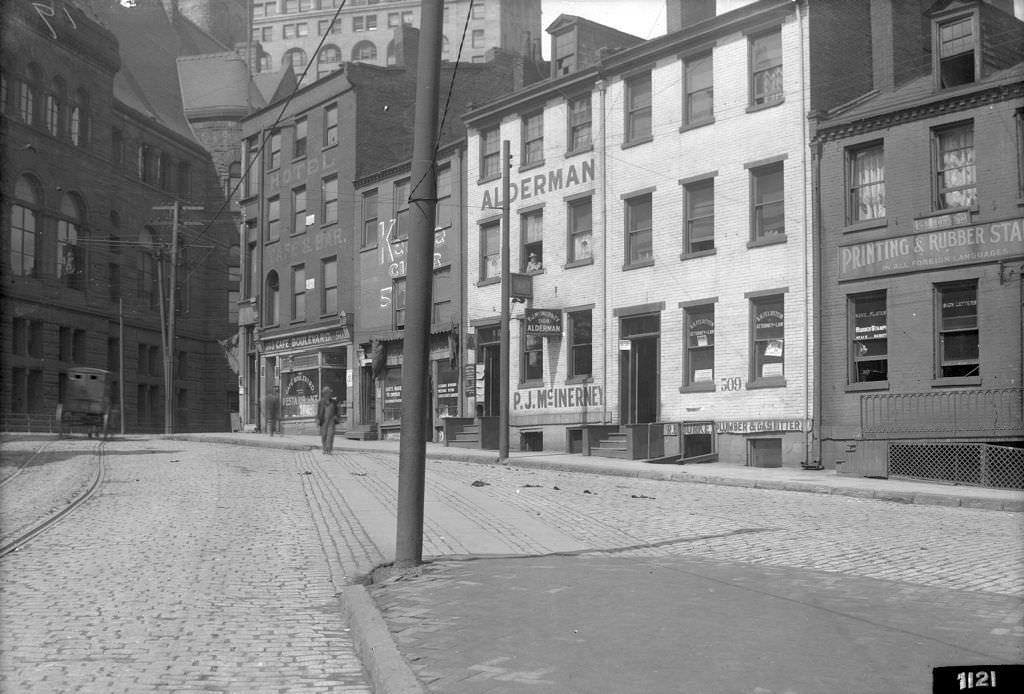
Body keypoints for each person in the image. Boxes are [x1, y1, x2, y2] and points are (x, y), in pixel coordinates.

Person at [316, 387, 339, 454]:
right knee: (324, 435)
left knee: (330, 435)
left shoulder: (334, 402)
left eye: (329, 393)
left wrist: (336, 416)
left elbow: (337, 411)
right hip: (323, 421)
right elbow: (318, 412)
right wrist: (318, 419)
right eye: (327, 393)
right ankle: (324, 448)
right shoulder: (321, 402)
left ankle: (328, 449)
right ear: (325, 394)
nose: (329, 394)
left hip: (331, 421)